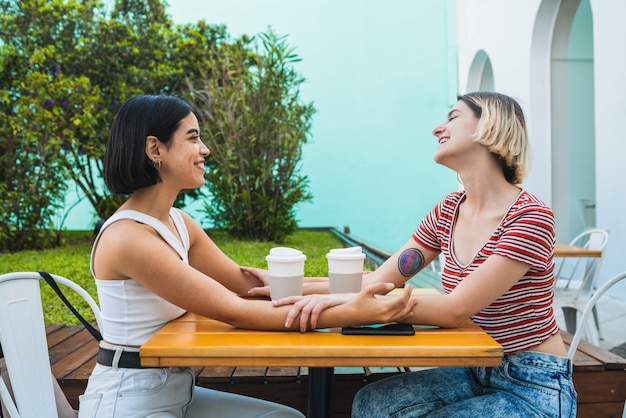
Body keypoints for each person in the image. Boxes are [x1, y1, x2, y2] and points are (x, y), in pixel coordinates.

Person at [78, 95, 416, 418]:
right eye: (193, 138)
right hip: (129, 398)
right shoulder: (129, 238)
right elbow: (236, 309)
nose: (205, 149)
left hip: (177, 388)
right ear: (155, 149)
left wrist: (357, 288)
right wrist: (350, 313)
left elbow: (247, 286)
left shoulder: (180, 223)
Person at [270, 92, 577, 417]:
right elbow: (378, 280)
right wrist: (289, 287)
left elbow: (454, 309)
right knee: (372, 404)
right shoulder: (447, 212)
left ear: (489, 126)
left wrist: (357, 307)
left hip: (532, 383)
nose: (437, 128)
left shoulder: (528, 217)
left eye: (453, 117)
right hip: (474, 368)